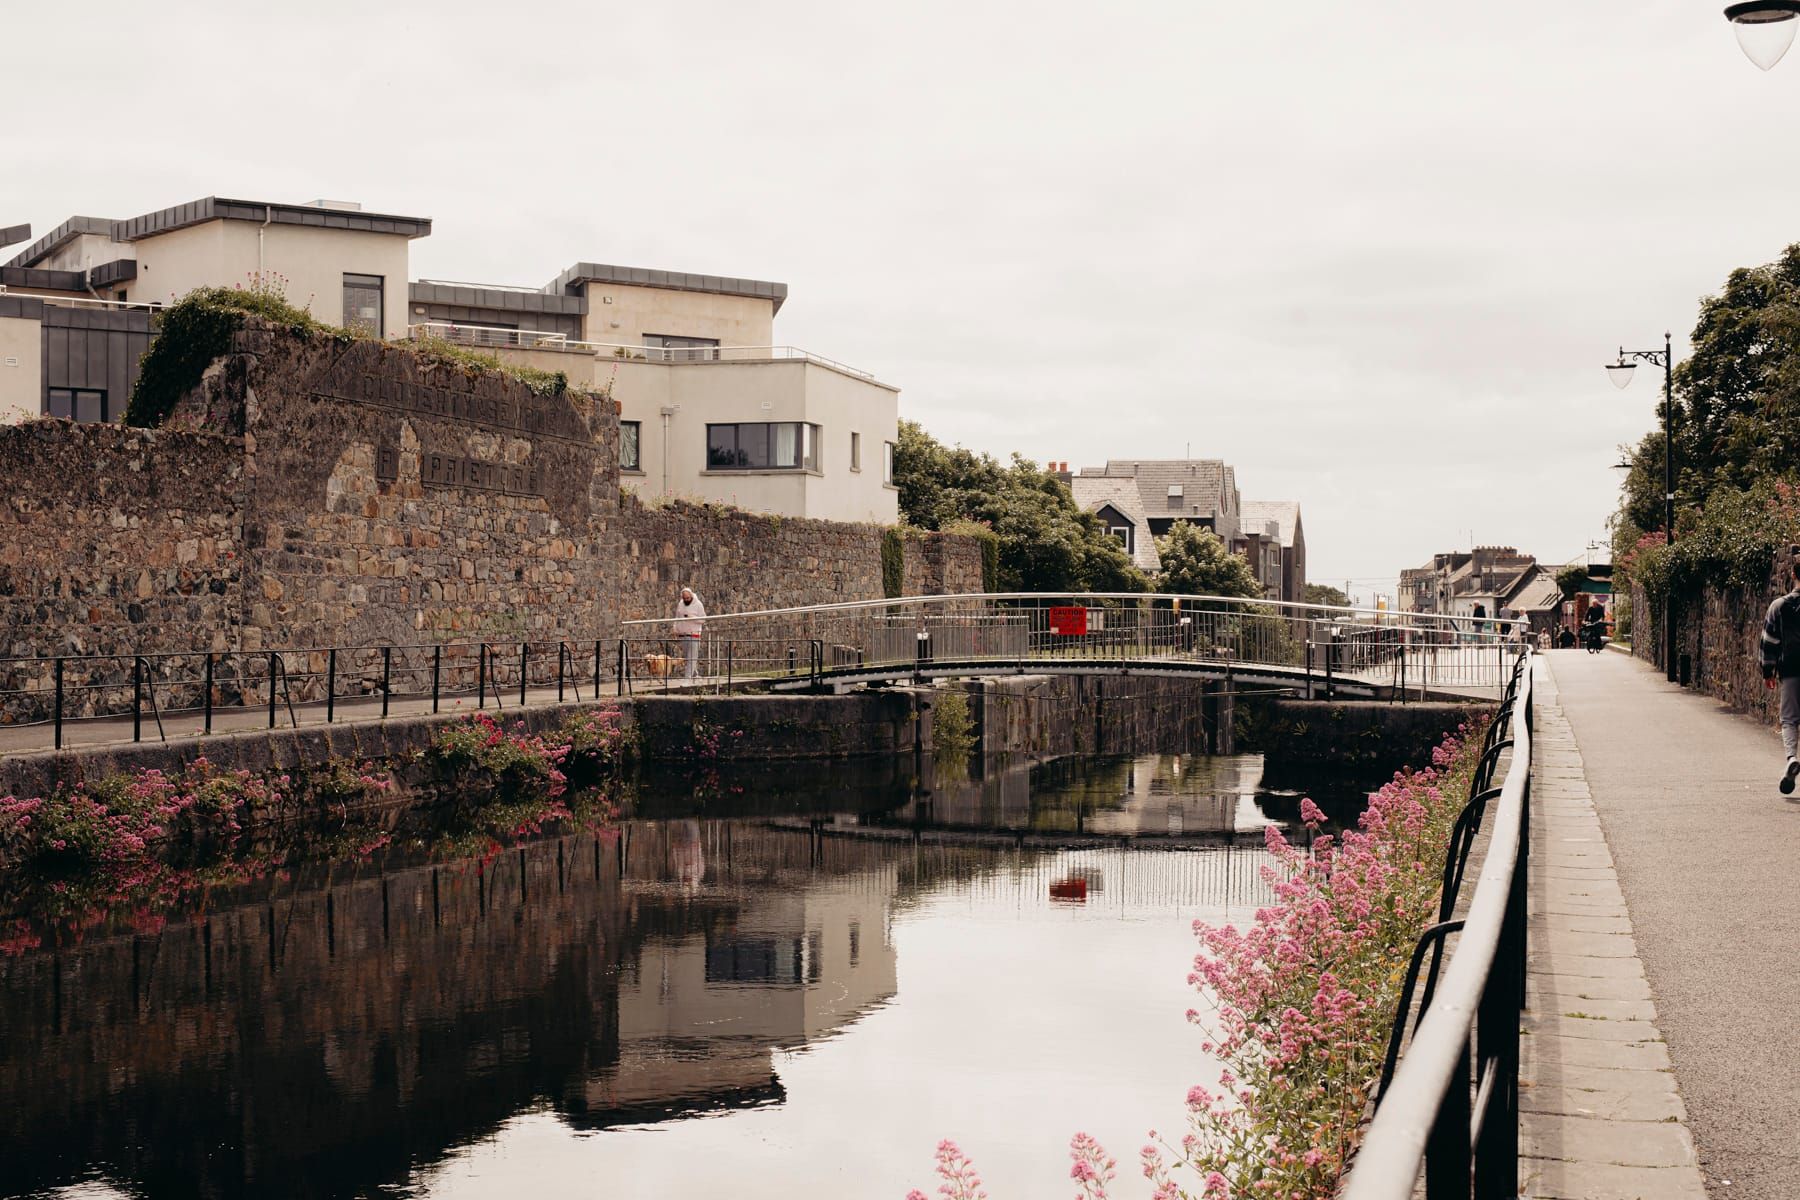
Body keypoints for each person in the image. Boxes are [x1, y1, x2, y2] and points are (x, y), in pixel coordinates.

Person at [1760, 559, 1800, 793]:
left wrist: (1768, 671)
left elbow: (1769, 641)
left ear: (1793, 574)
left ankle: (1792, 758)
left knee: (1789, 719)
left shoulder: (1779, 605)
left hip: (1791, 669)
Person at [673, 585, 706, 682]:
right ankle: (695, 674)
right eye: (684, 598)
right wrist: (675, 627)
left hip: (694, 634)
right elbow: (677, 617)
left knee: (692, 657)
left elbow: (703, 619)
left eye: (688, 598)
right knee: (688, 657)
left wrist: (692, 617)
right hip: (683, 633)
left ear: (691, 596)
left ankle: (687, 679)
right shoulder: (681, 604)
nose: (686, 600)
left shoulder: (698, 604)